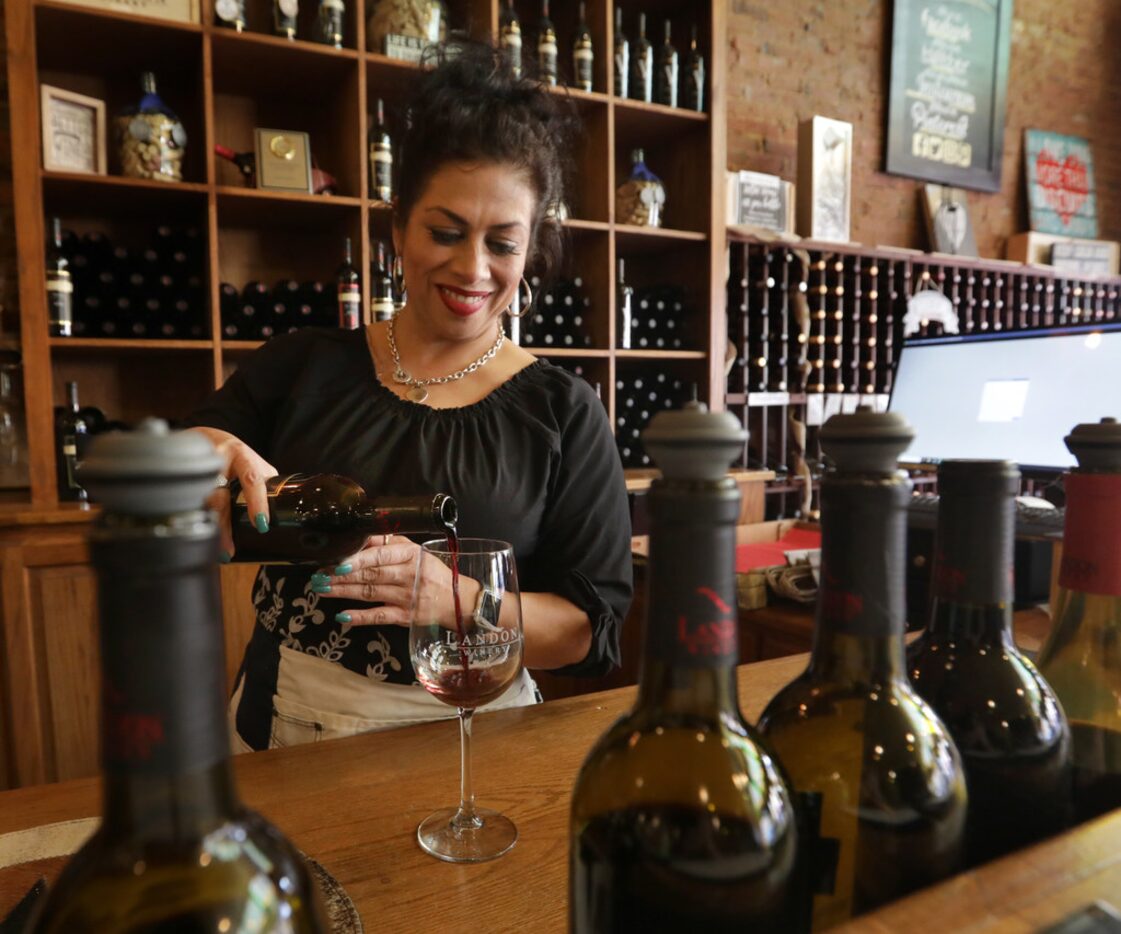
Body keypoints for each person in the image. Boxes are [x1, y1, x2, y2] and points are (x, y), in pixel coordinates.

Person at [186, 43, 633, 752]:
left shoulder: (562, 409)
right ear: (398, 231)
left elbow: (587, 631)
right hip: (292, 726)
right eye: (445, 233)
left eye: (503, 244)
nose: (473, 268)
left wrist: (460, 603)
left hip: (481, 731)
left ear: (531, 250)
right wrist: (200, 456)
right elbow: (185, 461)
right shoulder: (303, 365)